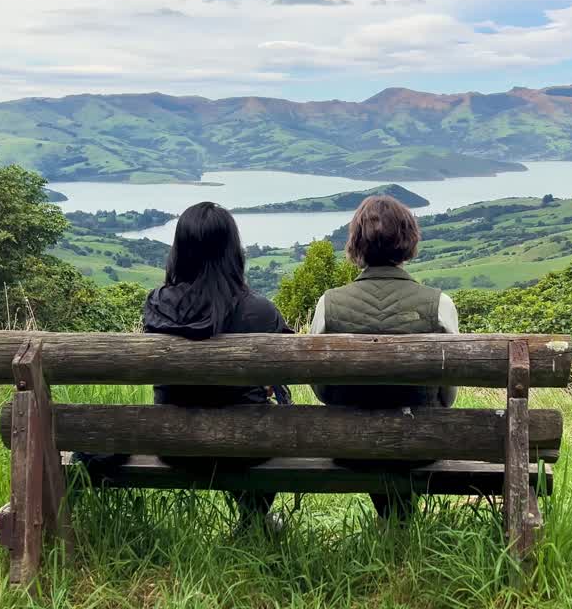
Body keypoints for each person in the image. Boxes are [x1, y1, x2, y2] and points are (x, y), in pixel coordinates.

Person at [77, 202, 292, 533]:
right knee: (258, 416)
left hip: (174, 446)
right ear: (233, 251)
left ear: (180, 250)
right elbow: (290, 369)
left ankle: (252, 520)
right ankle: (253, 519)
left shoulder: (158, 306)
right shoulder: (259, 311)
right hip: (245, 447)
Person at [309, 195, 459, 520]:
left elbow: (322, 390)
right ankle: (398, 524)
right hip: (420, 446)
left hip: (349, 447)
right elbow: (447, 395)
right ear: (408, 240)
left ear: (356, 242)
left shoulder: (329, 303)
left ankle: (393, 523)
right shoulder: (439, 305)